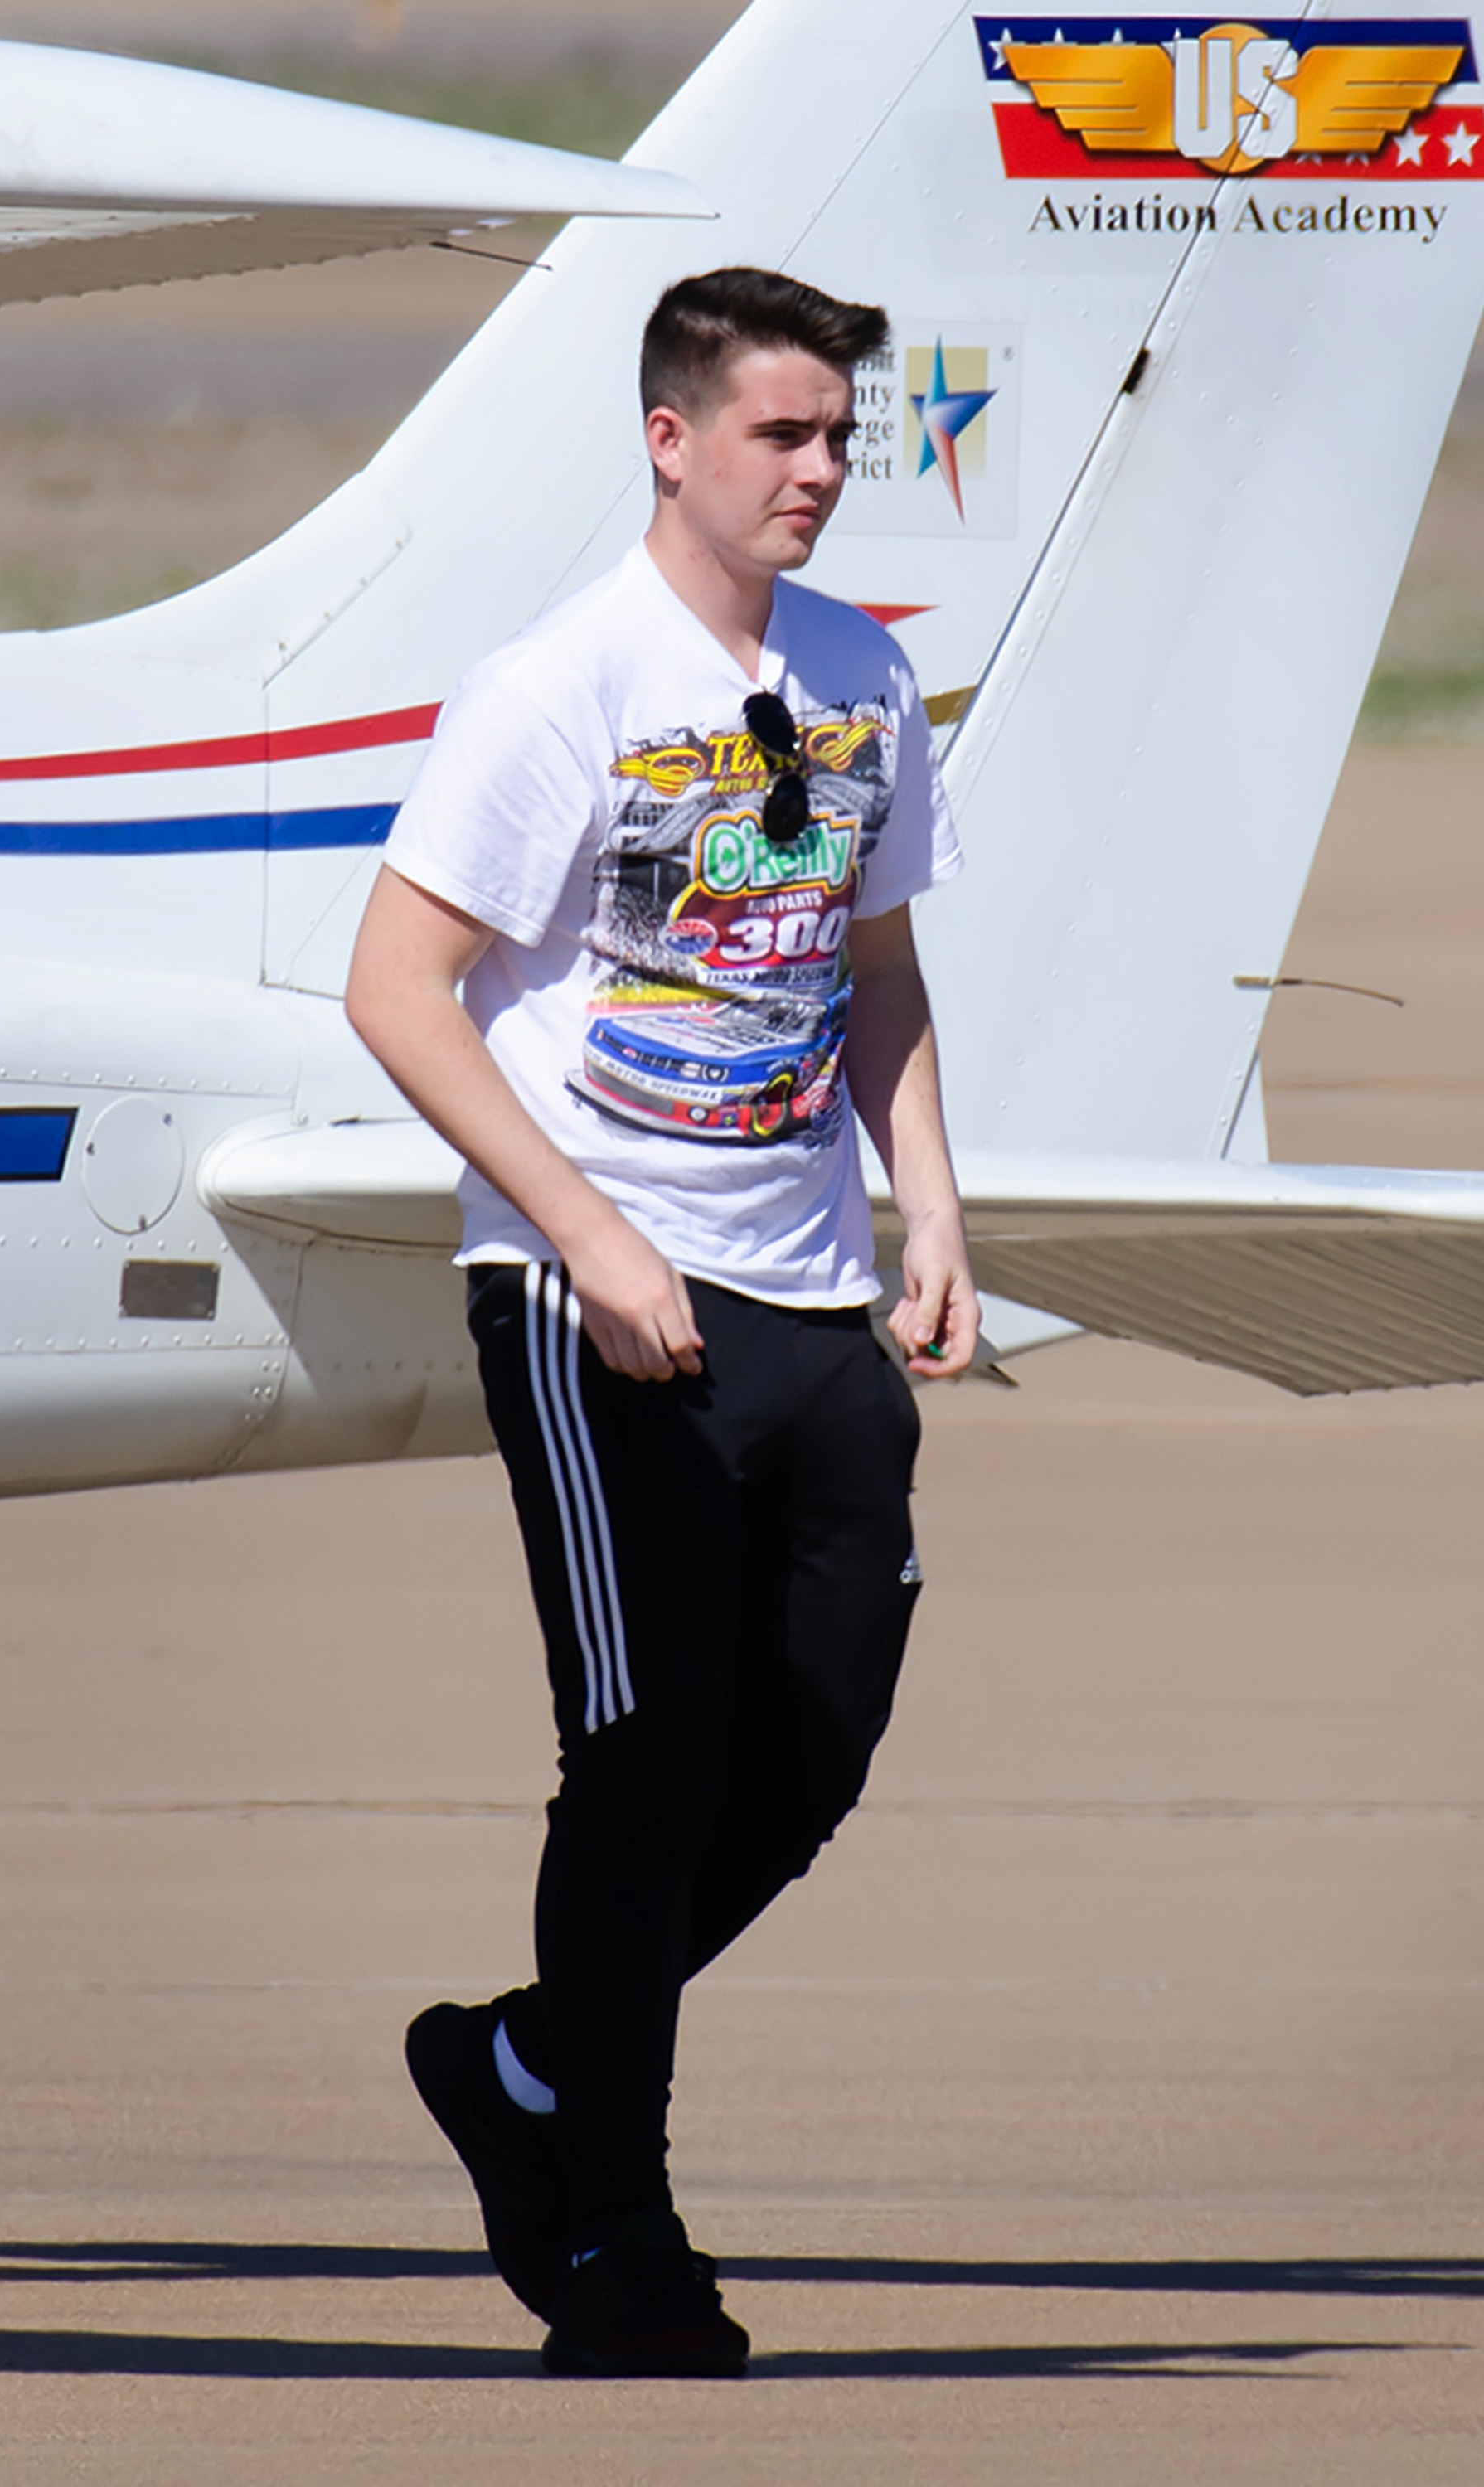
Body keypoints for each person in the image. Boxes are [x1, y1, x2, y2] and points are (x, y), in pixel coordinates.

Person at [346, 265, 977, 2378]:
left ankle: (531, 2053)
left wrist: (932, 1214)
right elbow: (399, 992)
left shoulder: (861, 675)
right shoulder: (562, 685)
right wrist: (592, 1241)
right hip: (599, 1292)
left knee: (809, 1749)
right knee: (642, 1756)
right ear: (672, 437)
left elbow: (872, 969)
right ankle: (612, 2229)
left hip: (809, 1286)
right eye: (784, 435)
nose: (820, 470)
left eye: (839, 437)